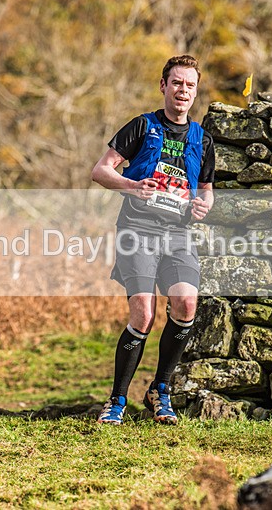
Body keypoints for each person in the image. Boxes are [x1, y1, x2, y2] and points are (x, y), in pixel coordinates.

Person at [91, 55, 215, 425]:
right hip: (139, 231)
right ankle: (116, 401)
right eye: (176, 83)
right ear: (163, 86)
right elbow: (100, 171)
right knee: (143, 314)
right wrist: (133, 185)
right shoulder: (142, 127)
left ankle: (159, 391)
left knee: (186, 305)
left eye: (189, 85)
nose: (183, 90)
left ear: (195, 92)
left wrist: (202, 207)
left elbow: (207, 191)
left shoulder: (201, 139)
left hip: (178, 233)